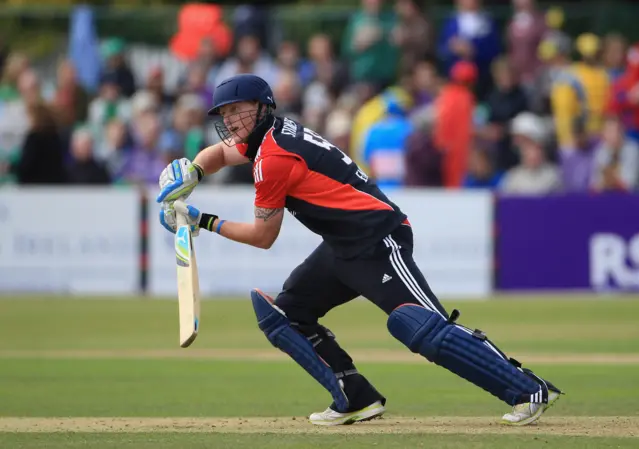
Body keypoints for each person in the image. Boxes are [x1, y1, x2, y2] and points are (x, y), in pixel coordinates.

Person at [156, 74, 563, 427]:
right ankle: (355, 397)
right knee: (286, 314)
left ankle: (529, 389)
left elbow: (264, 237)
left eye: (236, 110)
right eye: (223, 115)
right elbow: (223, 154)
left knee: (419, 327)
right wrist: (192, 170)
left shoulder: (274, 157)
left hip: (378, 238)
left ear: (263, 108)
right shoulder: (269, 135)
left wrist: (201, 220)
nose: (228, 121)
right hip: (342, 247)